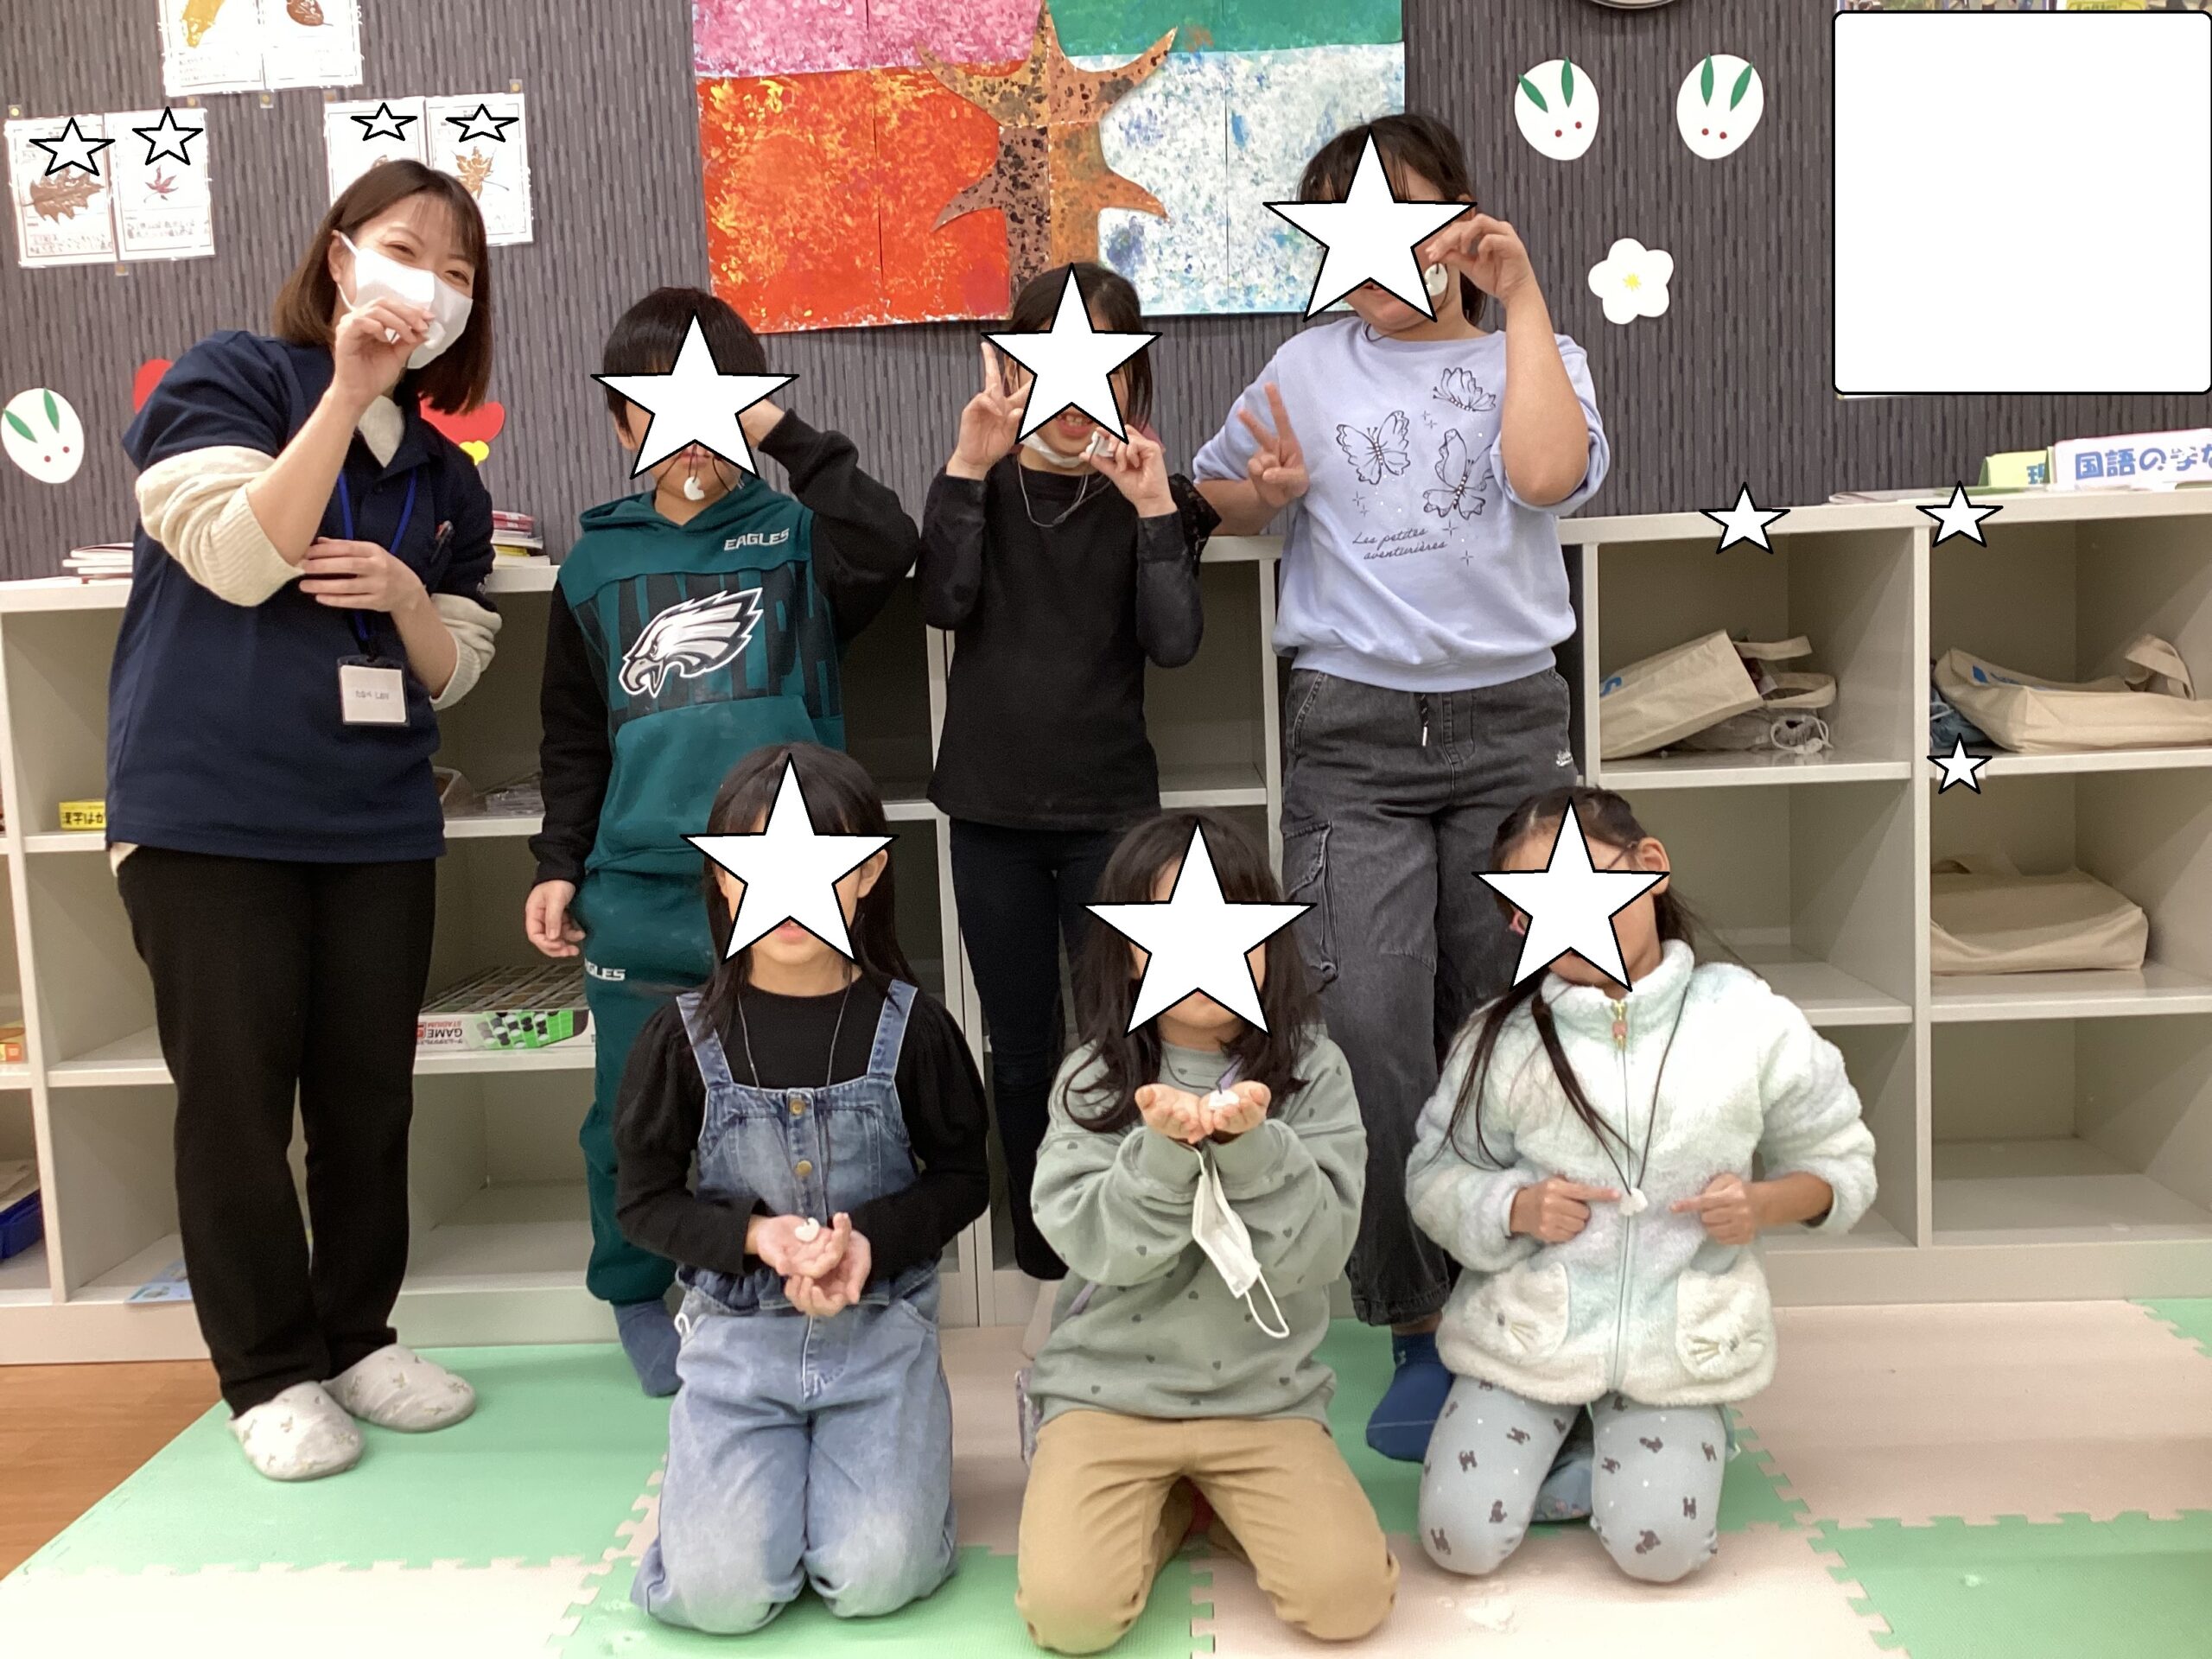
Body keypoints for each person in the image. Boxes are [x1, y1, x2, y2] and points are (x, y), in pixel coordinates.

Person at [1192, 113, 1611, 1459]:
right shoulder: (1308, 367)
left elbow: (1545, 475)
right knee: (1367, 1020)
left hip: (1510, 732)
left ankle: (1521, 1307)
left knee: (1509, 1027)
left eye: (1402, 217)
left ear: (1460, 224)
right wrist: (1264, 497)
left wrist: (1523, 298)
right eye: (1343, 223)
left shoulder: (1540, 355)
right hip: (1355, 735)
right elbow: (1215, 494)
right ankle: (1417, 1322)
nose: (1374, 253)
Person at [109, 161, 503, 1480]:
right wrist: (346, 391)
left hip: (374, 822)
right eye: (404, 250)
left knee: (367, 1100)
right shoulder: (229, 380)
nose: (430, 286)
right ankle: (266, 1371)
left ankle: (355, 1335)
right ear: (340, 260)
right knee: (235, 1103)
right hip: (210, 818)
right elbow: (236, 558)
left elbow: (452, 668)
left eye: (458, 273)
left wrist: (406, 593)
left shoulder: (445, 478)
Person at [525, 289, 922, 1396]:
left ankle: (788, 1276)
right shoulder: (593, 565)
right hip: (640, 889)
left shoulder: (800, 540)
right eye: (660, 403)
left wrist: (780, 437)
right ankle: (634, 1289)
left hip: (793, 892)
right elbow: (572, 736)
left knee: (807, 1103)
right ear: (620, 419)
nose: (690, 428)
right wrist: (558, 864)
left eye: (718, 400)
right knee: (631, 1113)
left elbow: (892, 542)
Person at [1408, 786, 1877, 1583]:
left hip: (1675, 1347)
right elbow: (1434, 1176)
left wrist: (1761, 1205)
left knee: (1660, 1553)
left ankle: (1643, 1451)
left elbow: (1842, 1165)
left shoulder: (1749, 1020)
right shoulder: (1500, 1041)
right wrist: (1513, 1207)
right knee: (1459, 1540)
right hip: (1528, 1339)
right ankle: (1583, 1442)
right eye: (1533, 908)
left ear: (1650, 866)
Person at [616, 743, 989, 1632]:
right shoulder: (679, 1038)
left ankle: (886, 1475)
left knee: (876, 1576)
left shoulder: (915, 1028)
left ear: (866, 874)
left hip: (880, 1335)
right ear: (721, 876)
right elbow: (642, 1201)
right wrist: (757, 1238)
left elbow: (964, 1180)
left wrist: (869, 1244)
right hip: (737, 1344)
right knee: (719, 1596)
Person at [1016, 811, 1396, 1655]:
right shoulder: (1092, 1076)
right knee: (1070, 1617)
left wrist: (1255, 1148)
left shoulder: (1314, 1071)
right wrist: (1162, 1154)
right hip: (1106, 1395)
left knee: (1347, 1601)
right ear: (1125, 947)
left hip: (1262, 1399)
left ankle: (1214, 1503)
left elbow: (1319, 1254)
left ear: (1267, 941)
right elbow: (1095, 1248)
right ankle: (1166, 1512)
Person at [919, 261, 1214, 1350]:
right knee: (1019, 1042)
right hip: (991, 812)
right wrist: (967, 462)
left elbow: (1174, 644)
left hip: (1108, 814)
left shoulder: (1147, 494)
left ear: (1132, 377)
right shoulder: (982, 482)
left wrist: (1153, 507)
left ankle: (1121, 1240)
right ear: (1009, 367)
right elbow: (941, 599)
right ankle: (1045, 1254)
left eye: (1105, 360)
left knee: (1121, 1036)